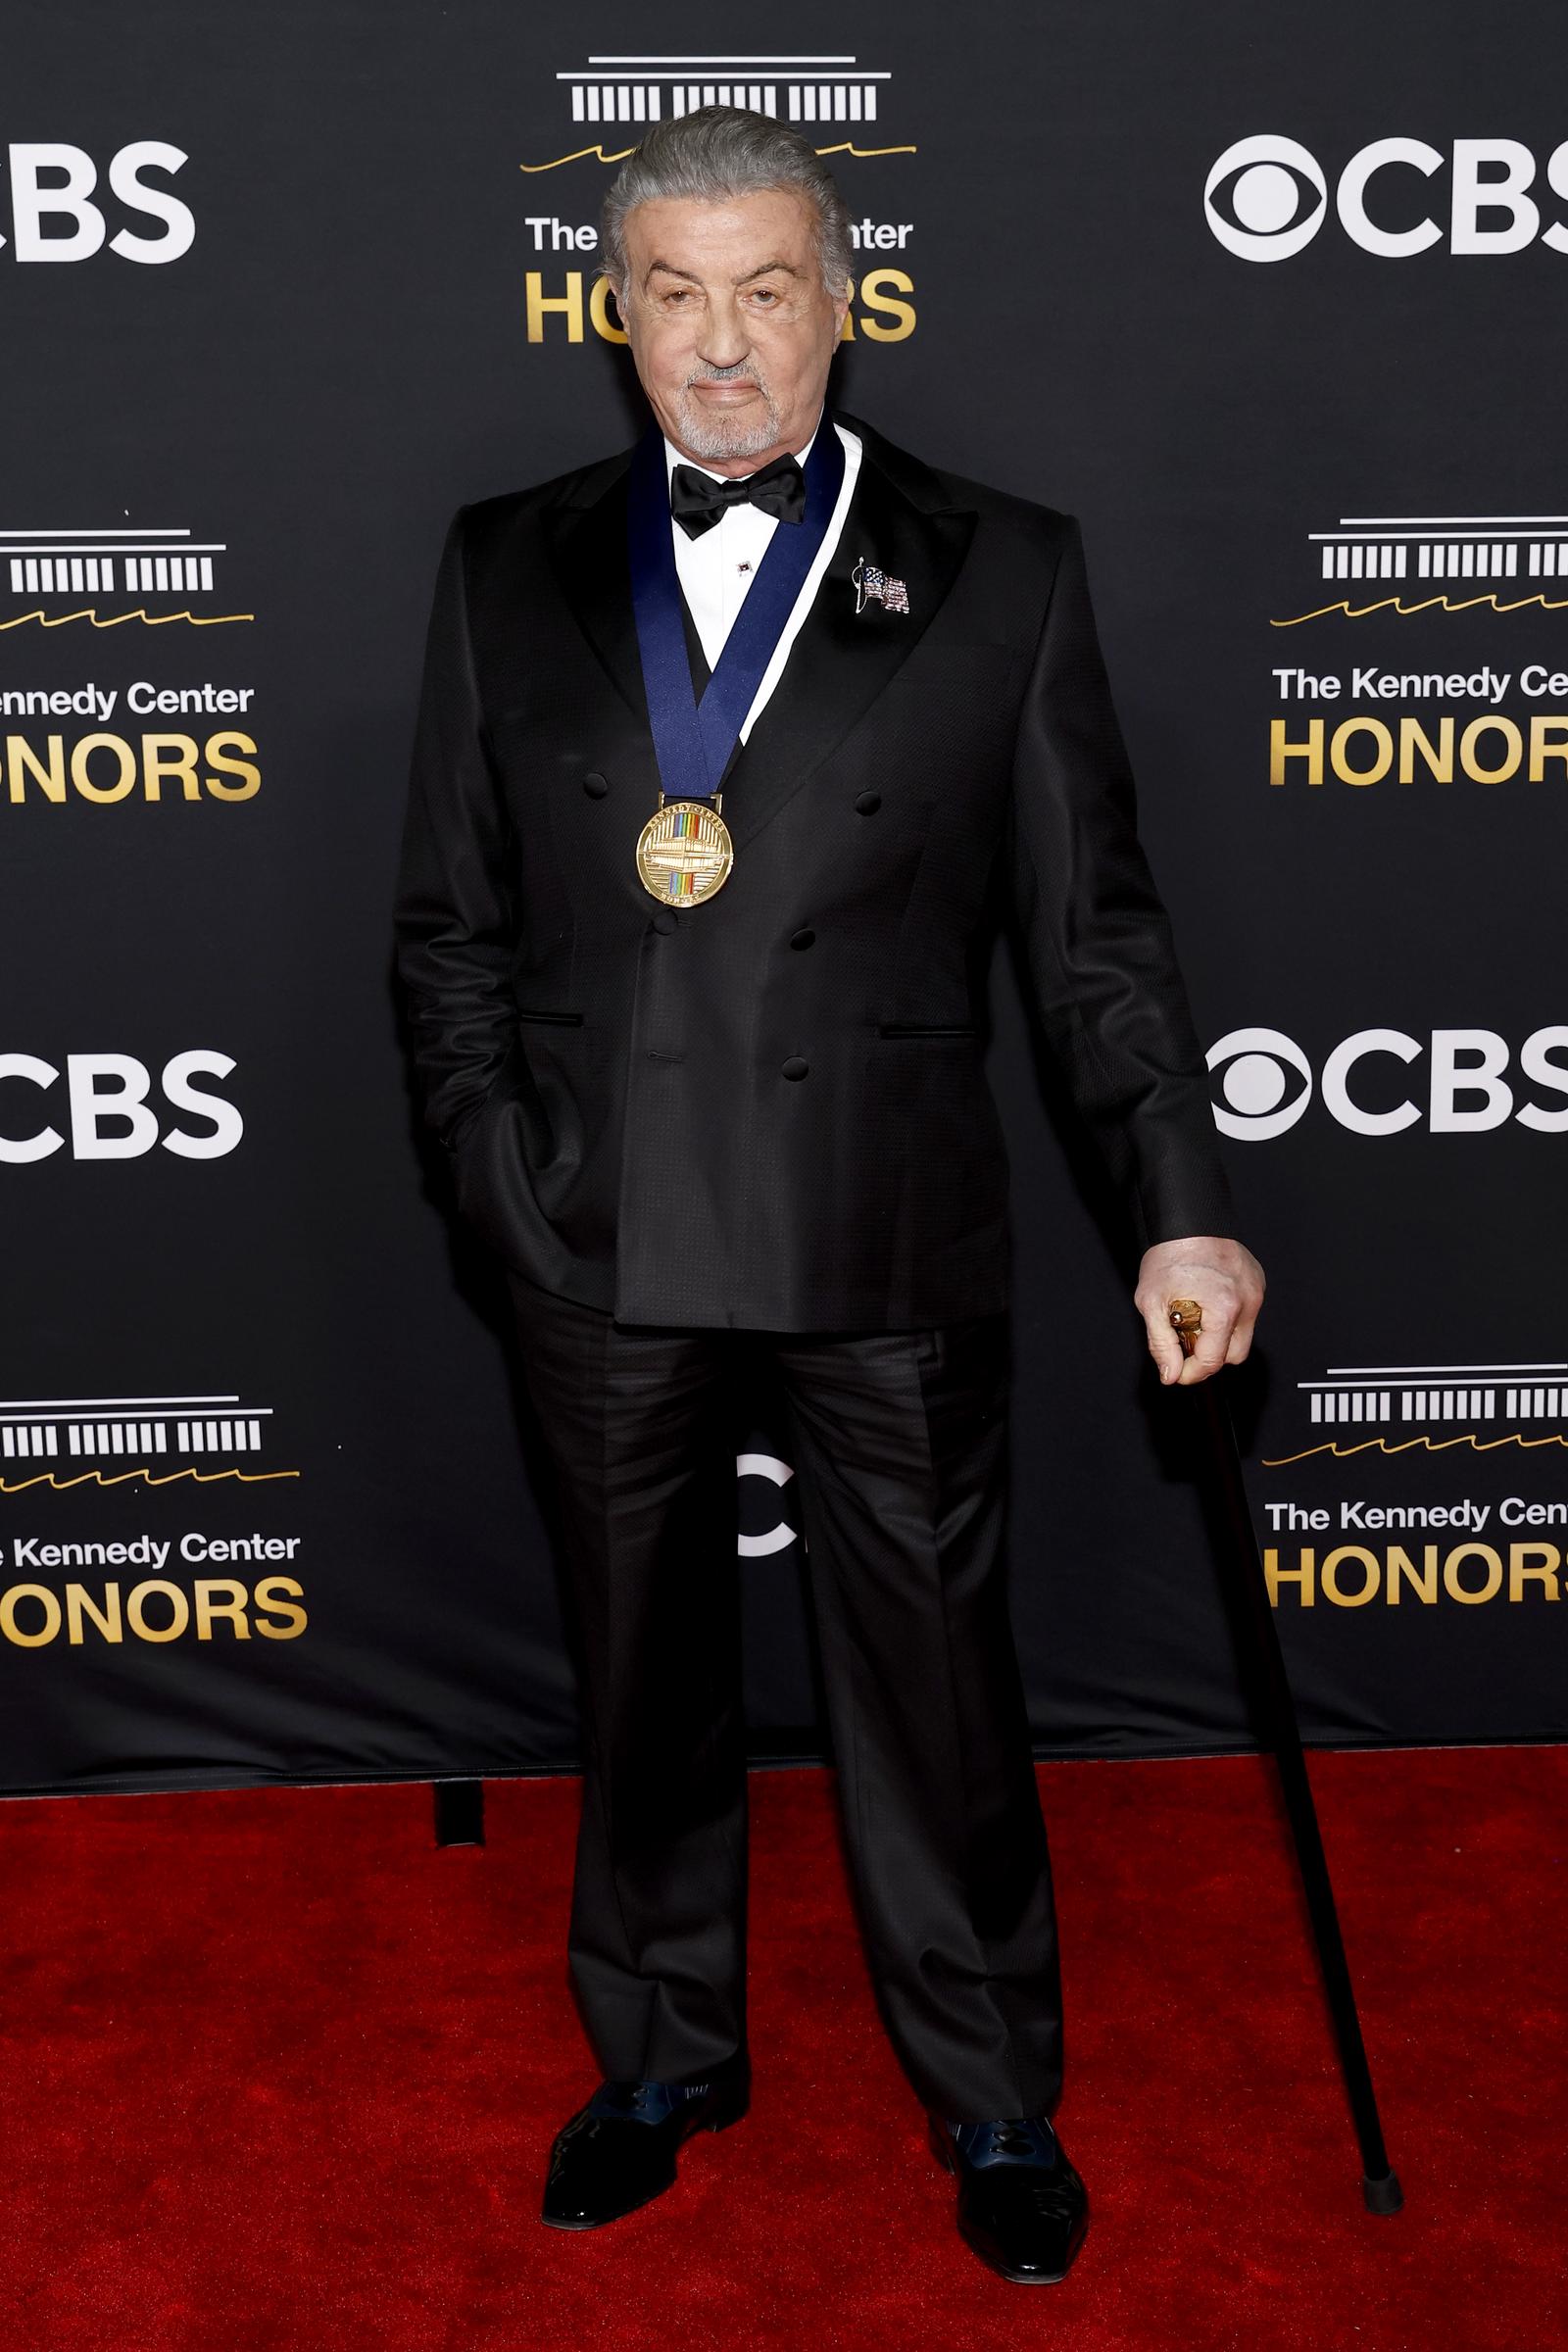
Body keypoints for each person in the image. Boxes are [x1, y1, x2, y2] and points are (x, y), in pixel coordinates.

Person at [393, 104, 1264, 2286]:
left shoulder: (1005, 563)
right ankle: (664, 2050)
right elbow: (448, 930)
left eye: (765, 289)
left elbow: (1097, 948)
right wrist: (498, 1179)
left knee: (934, 1687)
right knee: (638, 1678)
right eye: (672, 294)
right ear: (612, 315)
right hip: (593, 1233)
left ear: (842, 301)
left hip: (883, 1220)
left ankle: (985, 2094)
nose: (720, 346)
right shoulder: (502, 560)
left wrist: (1173, 1202)